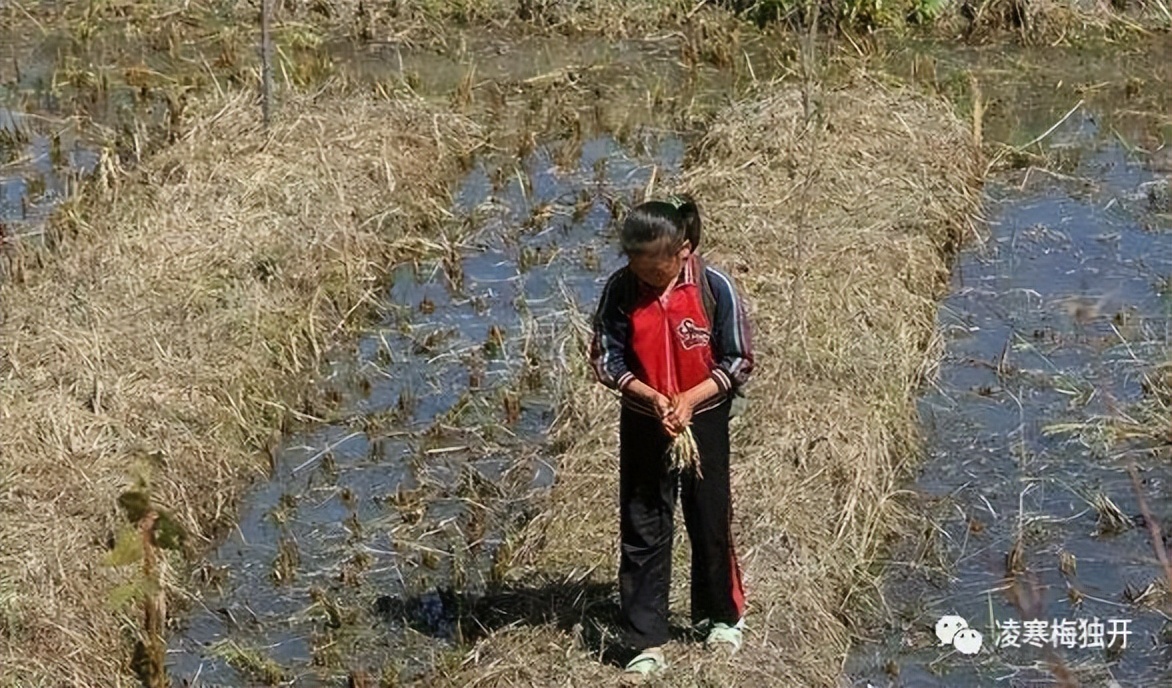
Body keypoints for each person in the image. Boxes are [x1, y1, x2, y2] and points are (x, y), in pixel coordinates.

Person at [589, 193, 754, 682]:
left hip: (703, 415)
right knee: (644, 524)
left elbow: (738, 360)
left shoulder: (713, 287)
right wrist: (654, 397)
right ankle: (645, 640)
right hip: (646, 417)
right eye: (637, 268)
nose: (646, 279)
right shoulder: (621, 289)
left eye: (655, 271)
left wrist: (689, 398)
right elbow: (606, 359)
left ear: (682, 252)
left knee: (708, 516)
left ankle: (720, 617)